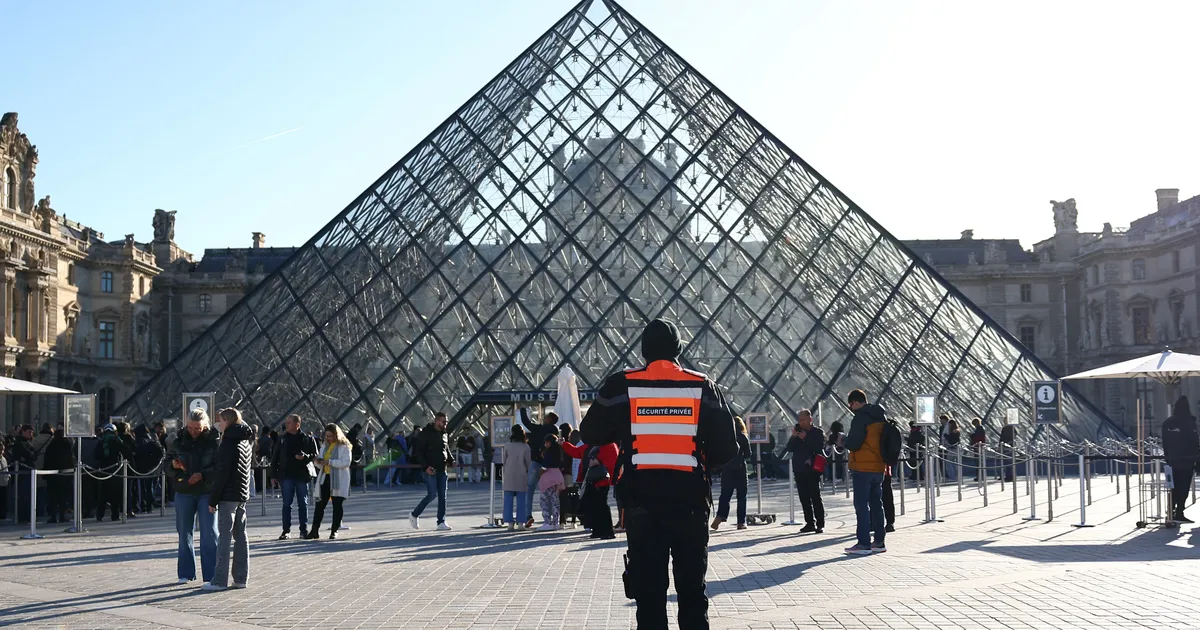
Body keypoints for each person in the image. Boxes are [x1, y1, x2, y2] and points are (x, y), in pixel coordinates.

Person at [581, 318, 738, 630]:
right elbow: (728, 448)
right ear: (678, 349)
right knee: (692, 593)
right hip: (691, 503)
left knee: (649, 595)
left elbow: (590, 432)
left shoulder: (621, 385)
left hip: (641, 504)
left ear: (643, 350)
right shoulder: (703, 386)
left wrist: (623, 430)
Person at [168, 408, 220, 585]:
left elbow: (220, 467)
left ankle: (211, 575)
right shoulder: (178, 441)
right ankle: (185, 573)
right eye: (190, 428)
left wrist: (203, 475)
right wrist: (173, 466)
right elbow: (166, 464)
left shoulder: (214, 442)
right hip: (184, 491)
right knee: (184, 534)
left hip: (206, 491)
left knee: (209, 534)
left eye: (197, 428)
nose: (193, 431)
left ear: (205, 425)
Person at [204, 408, 253, 592]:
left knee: (224, 538)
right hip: (241, 495)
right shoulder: (245, 440)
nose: (218, 424)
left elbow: (222, 474)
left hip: (227, 495)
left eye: (221, 421)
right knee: (241, 536)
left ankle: (219, 580)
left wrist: (212, 500)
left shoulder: (228, 443)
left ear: (228, 421)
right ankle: (241, 578)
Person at [844, 389, 887, 555]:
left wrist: (843, 440)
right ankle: (879, 541)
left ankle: (863, 543)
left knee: (861, 505)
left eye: (851, 404)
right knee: (877, 504)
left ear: (855, 402)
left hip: (862, 467)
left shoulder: (860, 417)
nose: (851, 408)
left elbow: (854, 443)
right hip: (878, 466)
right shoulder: (880, 416)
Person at [271, 414, 318, 540]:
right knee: (287, 504)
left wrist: (304, 457)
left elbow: (315, 454)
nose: (286, 425)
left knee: (303, 503)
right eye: (286, 423)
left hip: (301, 475)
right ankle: (286, 530)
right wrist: (273, 475)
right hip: (286, 475)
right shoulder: (282, 439)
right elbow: (275, 458)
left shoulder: (307, 438)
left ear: (297, 425)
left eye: (289, 423)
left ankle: (303, 530)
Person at [561, 437, 618, 539]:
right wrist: (564, 444)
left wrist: (598, 462)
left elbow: (611, 462)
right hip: (591, 480)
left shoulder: (606, 445)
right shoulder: (595, 445)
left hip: (601, 480)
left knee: (601, 506)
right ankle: (598, 530)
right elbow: (576, 452)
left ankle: (607, 531)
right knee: (594, 507)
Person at [409, 412, 454, 531]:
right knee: (432, 495)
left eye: (446, 422)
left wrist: (451, 459)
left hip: (442, 468)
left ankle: (441, 521)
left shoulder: (444, 434)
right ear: (436, 421)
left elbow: (446, 448)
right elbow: (419, 451)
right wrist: (425, 467)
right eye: (443, 421)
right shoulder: (426, 433)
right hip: (430, 469)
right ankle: (414, 514)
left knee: (443, 497)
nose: (445, 424)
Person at [308, 423, 352, 540]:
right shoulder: (325, 446)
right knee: (319, 505)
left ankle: (334, 530)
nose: (328, 438)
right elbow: (320, 464)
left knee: (337, 505)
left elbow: (346, 462)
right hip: (325, 477)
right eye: (327, 436)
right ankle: (314, 530)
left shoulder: (344, 446)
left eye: (331, 436)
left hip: (338, 479)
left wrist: (329, 462)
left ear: (337, 435)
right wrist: (317, 461)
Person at [785, 409, 825, 533]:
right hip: (799, 468)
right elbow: (789, 448)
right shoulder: (797, 433)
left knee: (815, 496)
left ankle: (820, 523)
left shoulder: (818, 432)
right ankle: (809, 522)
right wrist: (794, 436)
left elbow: (819, 447)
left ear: (810, 419)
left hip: (812, 469)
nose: (801, 422)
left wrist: (805, 438)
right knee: (804, 497)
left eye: (803, 420)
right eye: (799, 420)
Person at [1162, 395, 1200, 523]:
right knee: (1183, 488)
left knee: (1172, 487)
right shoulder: (1190, 422)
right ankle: (1179, 511)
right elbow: (1195, 442)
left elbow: (1165, 443)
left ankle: (1170, 510)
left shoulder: (1167, 423)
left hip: (1172, 460)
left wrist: (1168, 456)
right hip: (1187, 460)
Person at [520, 409, 560, 528]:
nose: (544, 418)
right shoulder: (556, 431)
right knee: (550, 492)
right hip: (551, 466)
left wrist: (522, 410)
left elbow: (525, 422)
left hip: (536, 462)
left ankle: (528, 515)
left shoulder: (539, 429)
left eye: (546, 417)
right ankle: (554, 519)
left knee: (530, 488)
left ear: (549, 419)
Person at [711, 416, 750, 531]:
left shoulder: (725, 437)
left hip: (727, 469)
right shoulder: (743, 437)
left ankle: (720, 516)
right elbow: (748, 454)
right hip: (740, 469)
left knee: (725, 495)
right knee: (741, 497)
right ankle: (741, 522)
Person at [94, 423, 133, 522]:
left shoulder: (101, 441)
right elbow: (127, 451)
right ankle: (114, 515)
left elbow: (96, 455)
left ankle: (100, 515)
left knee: (102, 494)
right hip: (116, 470)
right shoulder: (116, 440)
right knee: (115, 494)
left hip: (103, 470)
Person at [501, 425, 531, 531]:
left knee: (508, 500)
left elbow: (504, 460)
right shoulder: (525, 447)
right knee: (521, 500)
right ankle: (521, 523)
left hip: (509, 473)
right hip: (521, 474)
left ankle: (509, 523)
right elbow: (528, 462)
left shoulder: (507, 445)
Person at [43, 428, 75, 524]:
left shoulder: (51, 446)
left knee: (53, 497)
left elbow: (47, 460)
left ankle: (53, 516)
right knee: (64, 497)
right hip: (65, 475)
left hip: (53, 476)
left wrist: (46, 474)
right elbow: (71, 459)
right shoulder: (67, 445)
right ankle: (62, 516)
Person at [536, 434, 565, 531]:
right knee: (555, 501)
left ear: (549, 442)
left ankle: (547, 522)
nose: (545, 444)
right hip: (557, 477)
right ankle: (556, 522)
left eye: (546, 442)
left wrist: (539, 474)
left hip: (548, 478)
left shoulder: (549, 453)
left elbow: (544, 467)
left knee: (544, 501)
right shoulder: (559, 451)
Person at [134, 424, 165, 513]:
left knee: (142, 488)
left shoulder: (137, 442)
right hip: (151, 467)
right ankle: (149, 505)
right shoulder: (151, 440)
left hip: (140, 468)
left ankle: (143, 505)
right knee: (149, 487)